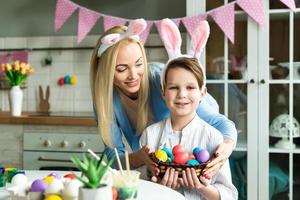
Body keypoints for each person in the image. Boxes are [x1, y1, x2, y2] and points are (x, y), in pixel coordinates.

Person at [90, 18, 237, 176]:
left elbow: (222, 124)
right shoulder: (104, 101)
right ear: (105, 70)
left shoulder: (160, 78)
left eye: (139, 64)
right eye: (121, 69)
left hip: (190, 161)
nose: (133, 75)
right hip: (160, 170)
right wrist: (140, 158)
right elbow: (114, 158)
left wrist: (225, 148)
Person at [139, 19, 237, 199]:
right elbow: (140, 186)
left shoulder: (213, 138)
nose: (182, 95)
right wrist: (158, 184)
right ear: (163, 92)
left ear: (202, 93)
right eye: (173, 87)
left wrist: (201, 187)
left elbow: (229, 195)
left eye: (190, 88)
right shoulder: (149, 136)